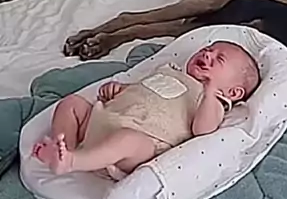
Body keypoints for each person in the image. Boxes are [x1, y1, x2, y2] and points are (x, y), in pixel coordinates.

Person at [32, 41, 260, 179]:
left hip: (142, 142)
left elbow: (203, 130)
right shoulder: (169, 70)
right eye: (207, 49)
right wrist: (120, 89)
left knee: (127, 139)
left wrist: (210, 93)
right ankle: (66, 148)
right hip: (104, 120)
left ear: (233, 92)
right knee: (71, 103)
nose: (207, 54)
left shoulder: (214, 102)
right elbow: (144, 89)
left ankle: (73, 162)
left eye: (219, 59)